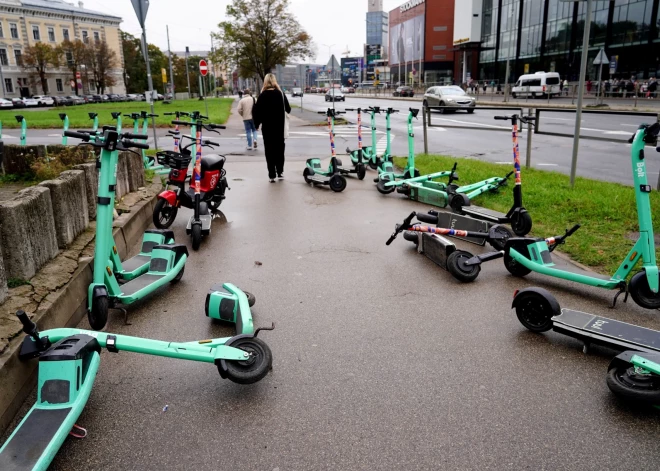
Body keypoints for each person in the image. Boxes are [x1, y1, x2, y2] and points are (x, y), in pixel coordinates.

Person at [253, 73, 291, 182]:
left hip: (267, 128)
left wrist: (256, 125)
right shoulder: (281, 94)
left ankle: (271, 174)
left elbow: (257, 112)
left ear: (265, 82)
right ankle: (280, 171)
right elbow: (288, 109)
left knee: (269, 151)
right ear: (275, 81)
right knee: (279, 150)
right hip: (279, 128)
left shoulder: (262, 95)